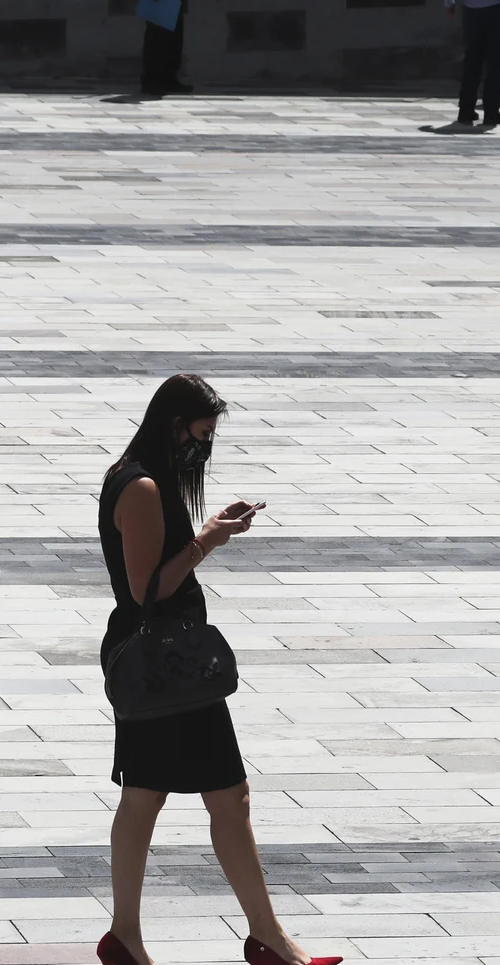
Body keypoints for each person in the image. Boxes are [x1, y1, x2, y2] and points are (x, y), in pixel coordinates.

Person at [94, 374, 341, 965]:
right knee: (191, 796)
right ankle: (256, 939)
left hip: (167, 663)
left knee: (180, 795)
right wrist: (207, 540)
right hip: (162, 662)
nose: (202, 449)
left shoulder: (147, 480)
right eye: (201, 435)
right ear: (175, 426)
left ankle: (238, 936)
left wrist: (208, 531)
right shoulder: (142, 487)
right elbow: (147, 589)